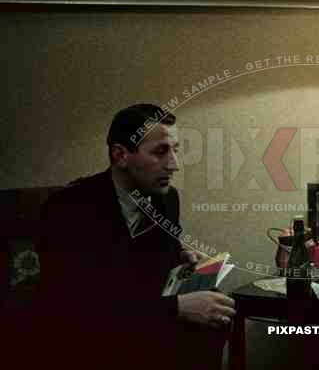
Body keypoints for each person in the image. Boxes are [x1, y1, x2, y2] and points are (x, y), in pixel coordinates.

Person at [22, 104, 235, 370]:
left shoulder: (166, 199)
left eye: (175, 150)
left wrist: (182, 257)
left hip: (143, 321)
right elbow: (78, 303)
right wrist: (176, 308)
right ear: (121, 155)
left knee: (219, 309)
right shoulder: (67, 209)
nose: (174, 165)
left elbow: (154, 262)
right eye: (160, 152)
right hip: (84, 336)